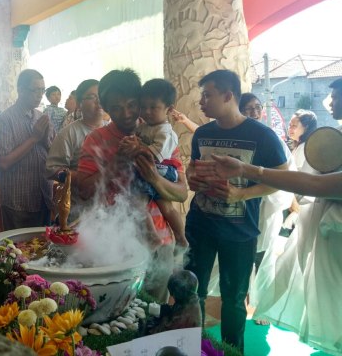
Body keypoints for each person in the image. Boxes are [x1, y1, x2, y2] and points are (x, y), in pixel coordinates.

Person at [210, 78, 342, 355]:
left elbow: (316, 185)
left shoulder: (268, 138)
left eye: (335, 96)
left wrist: (249, 173)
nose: (330, 102)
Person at [184, 70, 288, 352]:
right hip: (200, 225)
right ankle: (194, 347)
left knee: (234, 299)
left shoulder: (262, 135)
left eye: (208, 95)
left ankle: (232, 351)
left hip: (240, 231)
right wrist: (190, 177)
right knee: (194, 291)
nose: (202, 101)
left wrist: (243, 193)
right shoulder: (203, 134)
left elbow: (280, 177)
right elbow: (193, 169)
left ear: (229, 96)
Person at [76, 69, 188, 304]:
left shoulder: (159, 135)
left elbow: (181, 192)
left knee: (154, 308)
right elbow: (84, 190)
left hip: (159, 240)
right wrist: (117, 161)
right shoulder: (96, 140)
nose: (126, 114)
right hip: (112, 242)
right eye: (116, 108)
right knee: (117, 314)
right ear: (105, 108)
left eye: (131, 105)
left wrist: (154, 178)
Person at [238, 92, 294, 326]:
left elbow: (286, 173)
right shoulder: (238, 137)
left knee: (264, 257)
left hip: (266, 208)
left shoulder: (271, 138)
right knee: (243, 258)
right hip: (241, 207)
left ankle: (263, 308)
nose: (254, 112)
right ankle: (241, 304)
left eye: (257, 108)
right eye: (248, 109)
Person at [0, 69, 54, 230]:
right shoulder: (5, 120)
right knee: (18, 253)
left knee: (44, 250)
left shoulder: (41, 117)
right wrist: (34, 138)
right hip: (18, 202)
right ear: (20, 90)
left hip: (44, 197)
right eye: (35, 90)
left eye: (43, 90)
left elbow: (54, 155)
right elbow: (4, 163)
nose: (40, 95)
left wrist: (46, 139)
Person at [137, 78, 188, 252]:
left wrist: (135, 148)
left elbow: (154, 155)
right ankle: (180, 238)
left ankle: (158, 237)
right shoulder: (146, 127)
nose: (147, 111)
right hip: (156, 169)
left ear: (169, 109)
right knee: (165, 207)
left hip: (161, 170)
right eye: (143, 107)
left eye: (153, 107)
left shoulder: (166, 132)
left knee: (139, 202)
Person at [45, 79, 103, 221]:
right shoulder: (69, 133)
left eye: (102, 96)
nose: (99, 101)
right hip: (78, 213)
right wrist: (83, 178)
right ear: (79, 104)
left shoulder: (113, 130)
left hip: (109, 212)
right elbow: (51, 170)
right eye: (92, 97)